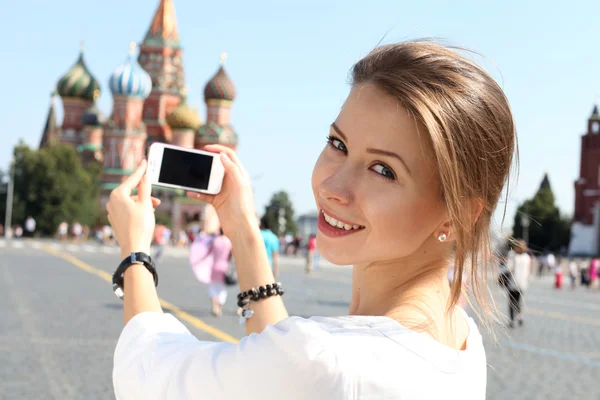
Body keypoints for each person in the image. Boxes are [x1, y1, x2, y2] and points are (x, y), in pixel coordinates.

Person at [107, 41, 516, 399]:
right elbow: (286, 366)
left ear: (458, 213)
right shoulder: (461, 340)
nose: (332, 186)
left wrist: (135, 254)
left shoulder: (326, 366)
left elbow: (147, 375)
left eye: (383, 170)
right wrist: (242, 226)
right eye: (338, 144)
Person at [189, 229, 233, 317]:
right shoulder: (229, 242)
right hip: (225, 267)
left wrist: (198, 260)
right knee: (222, 289)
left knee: (213, 287)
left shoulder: (215, 241)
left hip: (214, 267)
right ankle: (219, 307)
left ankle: (214, 305)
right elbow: (231, 254)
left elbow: (208, 252)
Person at [506, 240, 531, 328]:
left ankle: (512, 321)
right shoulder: (527, 257)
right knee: (518, 301)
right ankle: (520, 316)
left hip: (513, 282)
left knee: (511, 302)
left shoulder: (512, 255)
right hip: (522, 283)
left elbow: (509, 268)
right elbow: (528, 271)